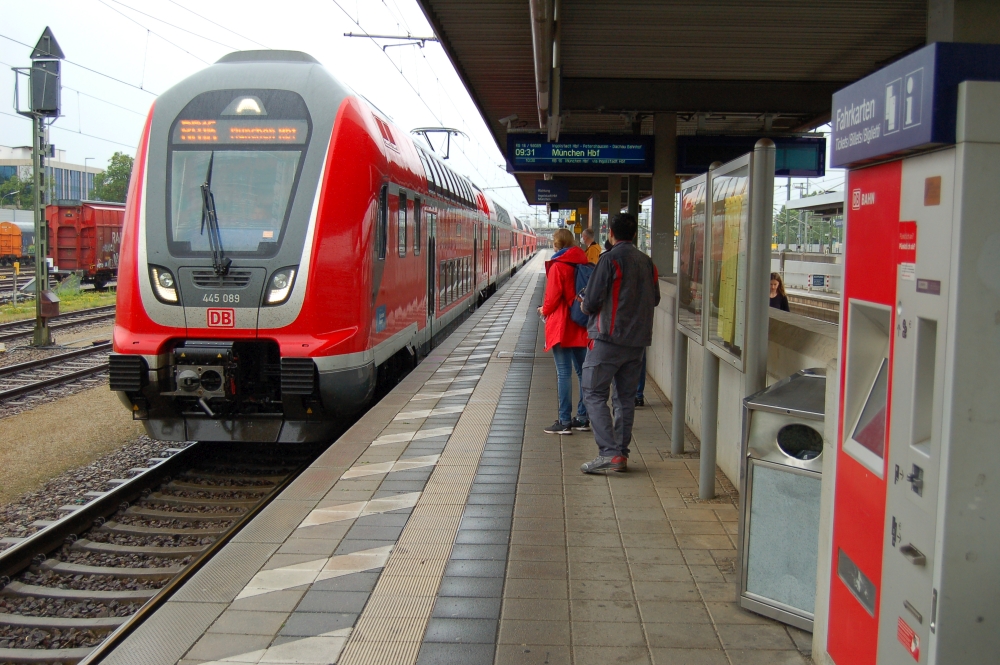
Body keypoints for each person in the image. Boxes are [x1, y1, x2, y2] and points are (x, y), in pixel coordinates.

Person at [579, 213, 660, 473]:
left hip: (607, 339)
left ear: (610, 234)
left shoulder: (609, 259)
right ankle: (620, 454)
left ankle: (609, 453)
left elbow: (591, 302)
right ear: (634, 234)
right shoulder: (647, 263)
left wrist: (582, 302)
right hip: (637, 342)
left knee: (593, 393)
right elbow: (655, 298)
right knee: (625, 398)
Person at [538, 228, 591, 435]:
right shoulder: (583, 262)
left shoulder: (559, 266)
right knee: (583, 372)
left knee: (563, 373)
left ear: (557, 244)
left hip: (561, 325)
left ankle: (564, 421)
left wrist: (543, 310)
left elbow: (551, 299)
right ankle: (583, 417)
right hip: (579, 323)